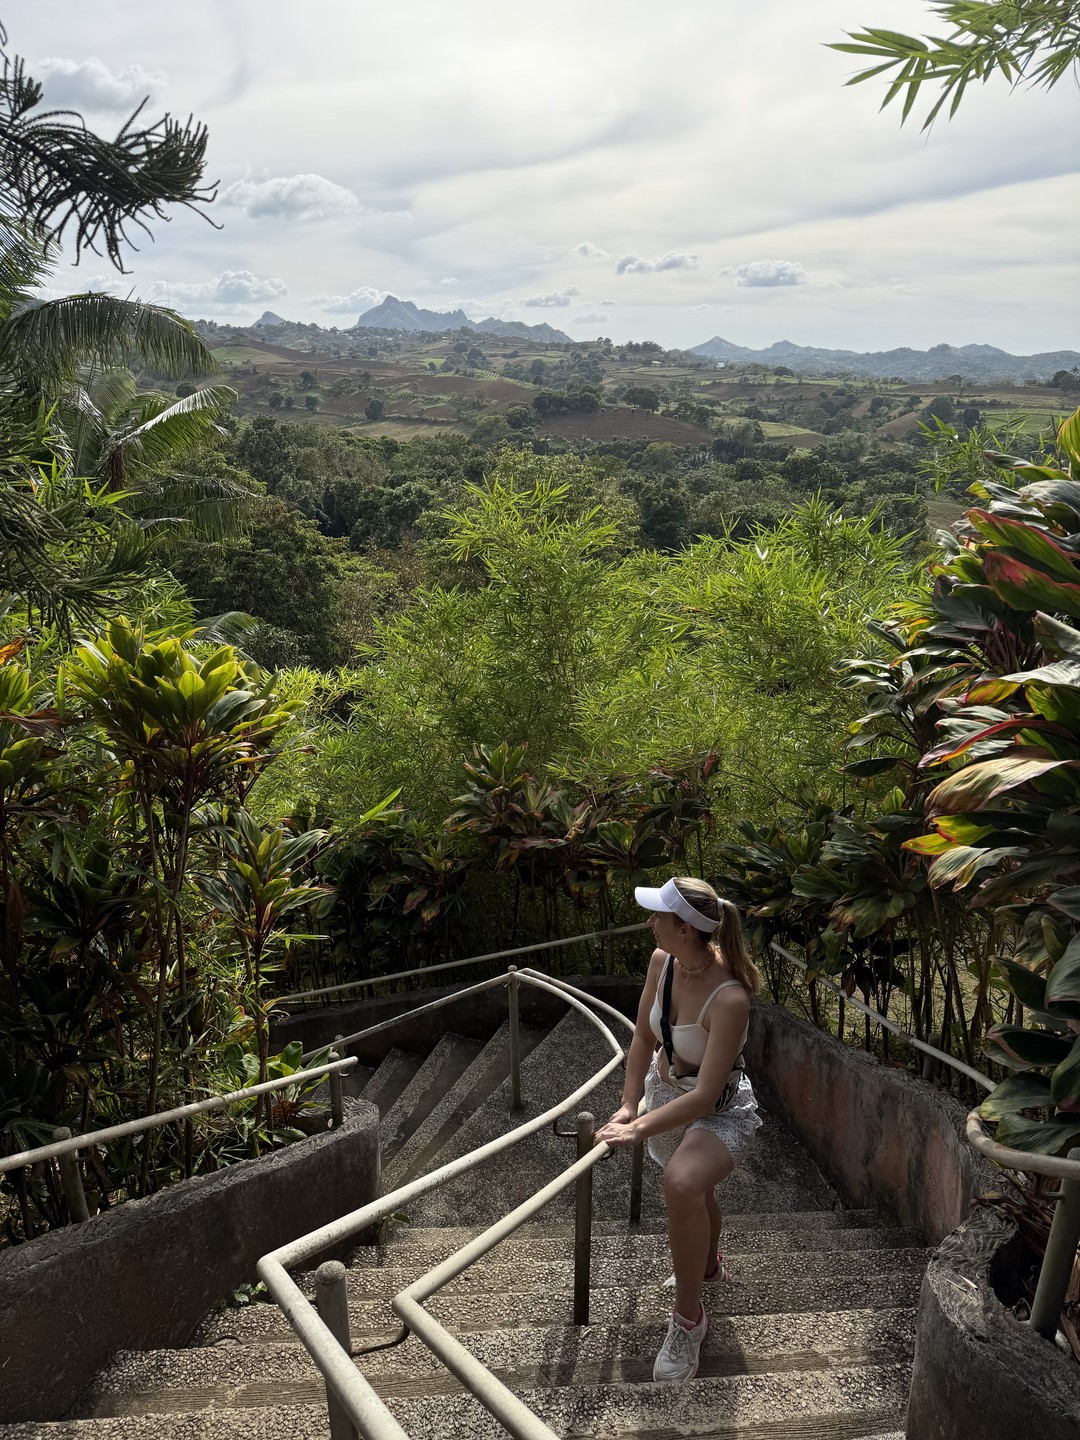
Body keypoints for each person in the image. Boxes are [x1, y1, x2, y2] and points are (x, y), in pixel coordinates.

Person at [594, 876, 762, 1383]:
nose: (650, 923)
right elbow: (643, 1039)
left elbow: (706, 1096)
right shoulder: (662, 962)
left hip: (718, 1110)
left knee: (683, 1182)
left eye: (658, 916)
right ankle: (708, 1267)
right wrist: (629, 1105)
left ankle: (689, 1321)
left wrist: (639, 1129)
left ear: (685, 929)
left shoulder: (730, 998)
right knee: (695, 1189)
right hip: (665, 1096)